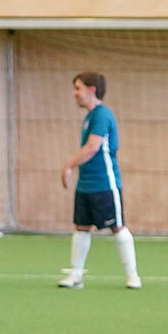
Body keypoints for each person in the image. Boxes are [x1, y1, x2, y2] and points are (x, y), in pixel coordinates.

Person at [58, 72, 141, 289]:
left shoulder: (103, 115)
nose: (74, 93)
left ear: (91, 90)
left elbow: (93, 147)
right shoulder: (89, 117)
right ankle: (76, 275)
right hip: (85, 184)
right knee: (81, 227)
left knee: (117, 227)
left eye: (78, 88)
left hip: (105, 184)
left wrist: (69, 165)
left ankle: (132, 275)